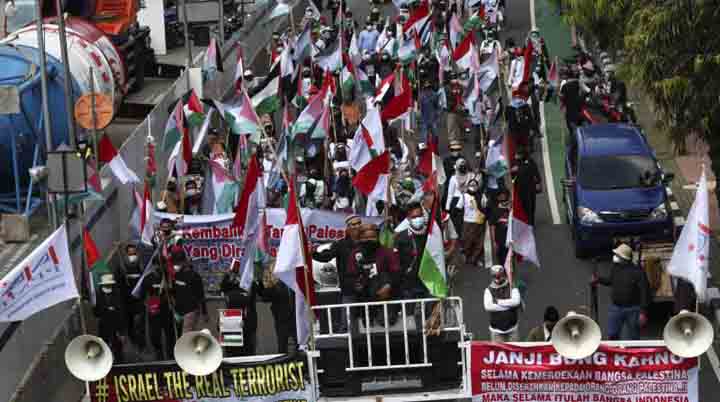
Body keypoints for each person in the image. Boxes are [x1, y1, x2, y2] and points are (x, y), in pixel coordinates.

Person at [592, 244, 650, 340]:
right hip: (616, 308)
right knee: (613, 334)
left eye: (617, 255)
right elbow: (610, 280)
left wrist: (643, 312)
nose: (615, 257)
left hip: (633, 310)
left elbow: (645, 292)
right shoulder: (616, 268)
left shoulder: (638, 272)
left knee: (633, 337)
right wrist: (598, 279)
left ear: (624, 258)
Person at [346, 224, 400, 325]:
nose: (369, 240)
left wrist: (388, 286)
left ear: (377, 237)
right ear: (360, 238)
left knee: (387, 322)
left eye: (372, 237)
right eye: (365, 238)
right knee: (366, 325)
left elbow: (396, 273)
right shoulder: (355, 254)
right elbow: (350, 275)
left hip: (386, 297)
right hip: (364, 298)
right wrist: (356, 285)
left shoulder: (387, 252)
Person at [313, 214, 362, 302]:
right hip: (348, 289)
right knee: (348, 310)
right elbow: (326, 257)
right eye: (354, 224)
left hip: (367, 288)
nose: (357, 226)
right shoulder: (340, 244)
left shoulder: (368, 242)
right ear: (348, 228)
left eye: (359, 223)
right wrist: (313, 253)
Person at [220, 259, 258, 356]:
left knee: (248, 350)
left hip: (247, 319)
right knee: (231, 351)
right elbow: (223, 287)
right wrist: (229, 274)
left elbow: (256, 293)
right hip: (230, 319)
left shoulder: (250, 283)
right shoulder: (230, 283)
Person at [258, 260, 296, 353]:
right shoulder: (275, 285)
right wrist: (268, 284)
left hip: (295, 319)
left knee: (299, 343)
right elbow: (265, 297)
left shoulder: (292, 282)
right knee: (282, 345)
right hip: (281, 320)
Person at [394, 202, 430, 299]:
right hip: (408, 283)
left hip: (427, 281)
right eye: (414, 217)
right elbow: (396, 261)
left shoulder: (430, 235)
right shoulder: (401, 237)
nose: (418, 219)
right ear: (409, 219)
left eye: (420, 216)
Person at [171, 252, 208, 335]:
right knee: (178, 335)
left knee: (186, 335)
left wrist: (204, 312)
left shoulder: (195, 276)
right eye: (176, 262)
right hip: (178, 311)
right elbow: (174, 291)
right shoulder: (177, 275)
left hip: (190, 310)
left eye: (179, 262)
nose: (177, 265)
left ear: (185, 262)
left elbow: (201, 295)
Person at [94, 274, 128, 363]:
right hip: (104, 326)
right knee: (104, 347)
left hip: (116, 326)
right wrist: (106, 309)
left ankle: (120, 363)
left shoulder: (117, 294)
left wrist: (122, 331)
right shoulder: (97, 296)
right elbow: (96, 313)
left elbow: (121, 313)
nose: (108, 286)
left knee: (118, 348)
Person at [484, 265, 521, 342]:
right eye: (495, 276)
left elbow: (516, 302)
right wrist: (509, 305)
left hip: (512, 329)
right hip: (496, 331)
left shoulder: (512, 286)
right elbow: (488, 307)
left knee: (514, 349)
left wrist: (498, 301)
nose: (497, 278)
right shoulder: (488, 290)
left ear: (503, 274)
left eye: (499, 276)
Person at [120, 243, 145, 349]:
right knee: (129, 319)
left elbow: (143, 275)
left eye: (133, 250)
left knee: (140, 321)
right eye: (130, 251)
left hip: (138, 295)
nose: (132, 252)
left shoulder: (140, 261)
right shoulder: (123, 263)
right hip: (128, 296)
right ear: (127, 252)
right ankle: (132, 339)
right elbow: (121, 277)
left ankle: (141, 342)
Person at [511, 148, 541, 225]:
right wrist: (512, 171)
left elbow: (536, 172)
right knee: (522, 205)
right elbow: (511, 174)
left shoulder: (530, 162)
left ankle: (530, 222)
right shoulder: (515, 162)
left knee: (530, 205)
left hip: (530, 188)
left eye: (518, 154)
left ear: (522, 155)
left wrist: (538, 183)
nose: (516, 156)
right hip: (519, 188)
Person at [462, 179, 486, 268]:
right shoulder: (464, 196)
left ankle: (475, 259)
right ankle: (467, 256)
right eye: (471, 185)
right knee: (468, 241)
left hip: (479, 221)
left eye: (474, 185)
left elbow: (485, 207)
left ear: (477, 187)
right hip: (468, 221)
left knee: (479, 242)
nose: (473, 187)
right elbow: (459, 208)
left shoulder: (481, 195)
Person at [488, 189, 510, 264]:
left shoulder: (511, 210)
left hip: (510, 240)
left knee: (509, 260)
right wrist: (494, 242)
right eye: (501, 197)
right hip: (500, 241)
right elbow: (492, 227)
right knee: (501, 260)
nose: (503, 199)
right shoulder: (495, 211)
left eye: (505, 197)